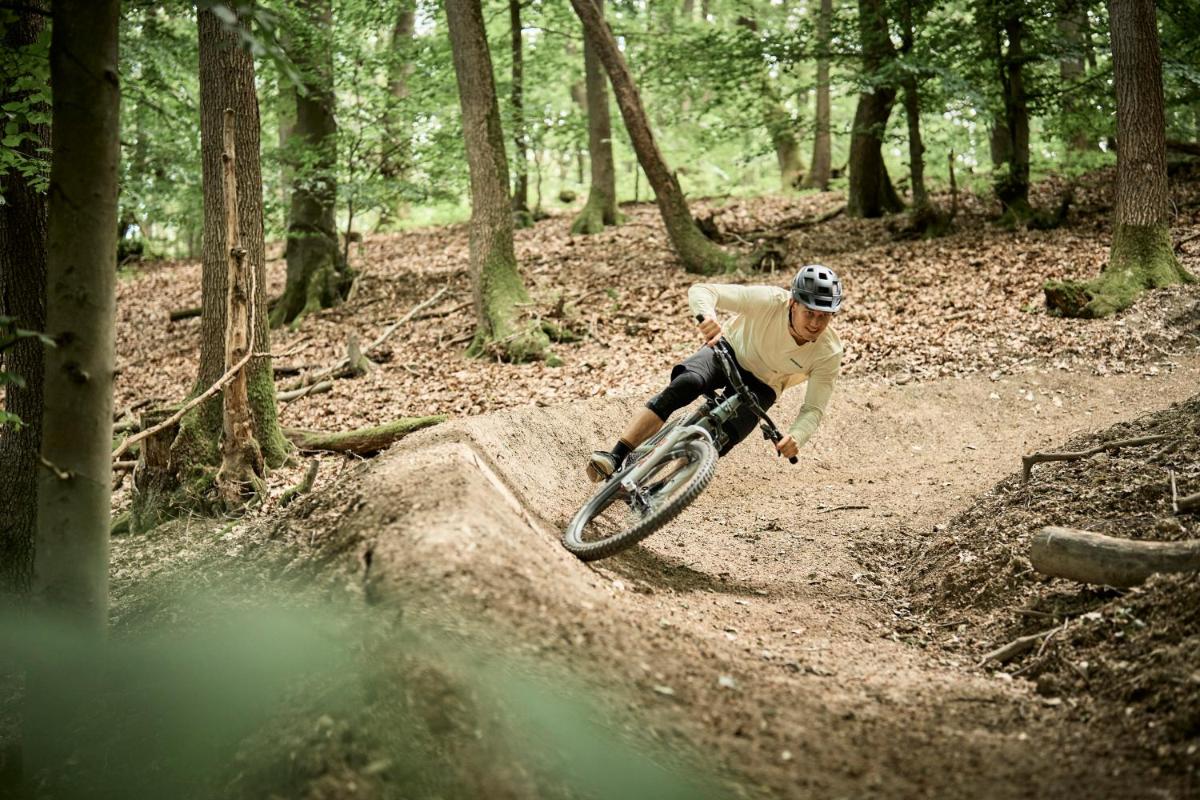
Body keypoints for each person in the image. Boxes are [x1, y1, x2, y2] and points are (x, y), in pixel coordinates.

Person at [586, 264, 844, 482]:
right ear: (793, 303)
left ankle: (665, 491)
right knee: (687, 383)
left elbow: (813, 409)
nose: (815, 323)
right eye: (809, 312)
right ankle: (616, 455)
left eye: (825, 316)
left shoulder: (829, 352)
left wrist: (796, 437)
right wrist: (706, 315)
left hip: (765, 385)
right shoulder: (770, 301)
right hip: (729, 350)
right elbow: (703, 290)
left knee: (721, 439)